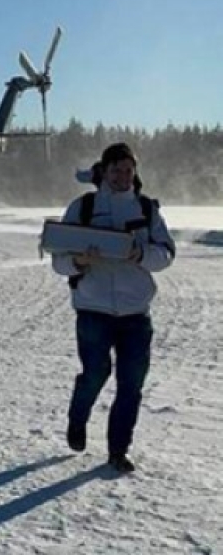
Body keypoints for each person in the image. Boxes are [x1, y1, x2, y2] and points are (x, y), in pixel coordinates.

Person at [52, 142, 175, 473]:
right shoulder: (84, 207)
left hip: (136, 313)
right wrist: (79, 262)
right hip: (93, 310)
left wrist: (141, 254)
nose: (123, 176)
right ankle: (78, 418)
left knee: (131, 385)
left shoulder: (147, 209)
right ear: (104, 172)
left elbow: (166, 254)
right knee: (95, 373)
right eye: (116, 170)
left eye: (128, 170)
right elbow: (59, 260)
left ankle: (118, 451)